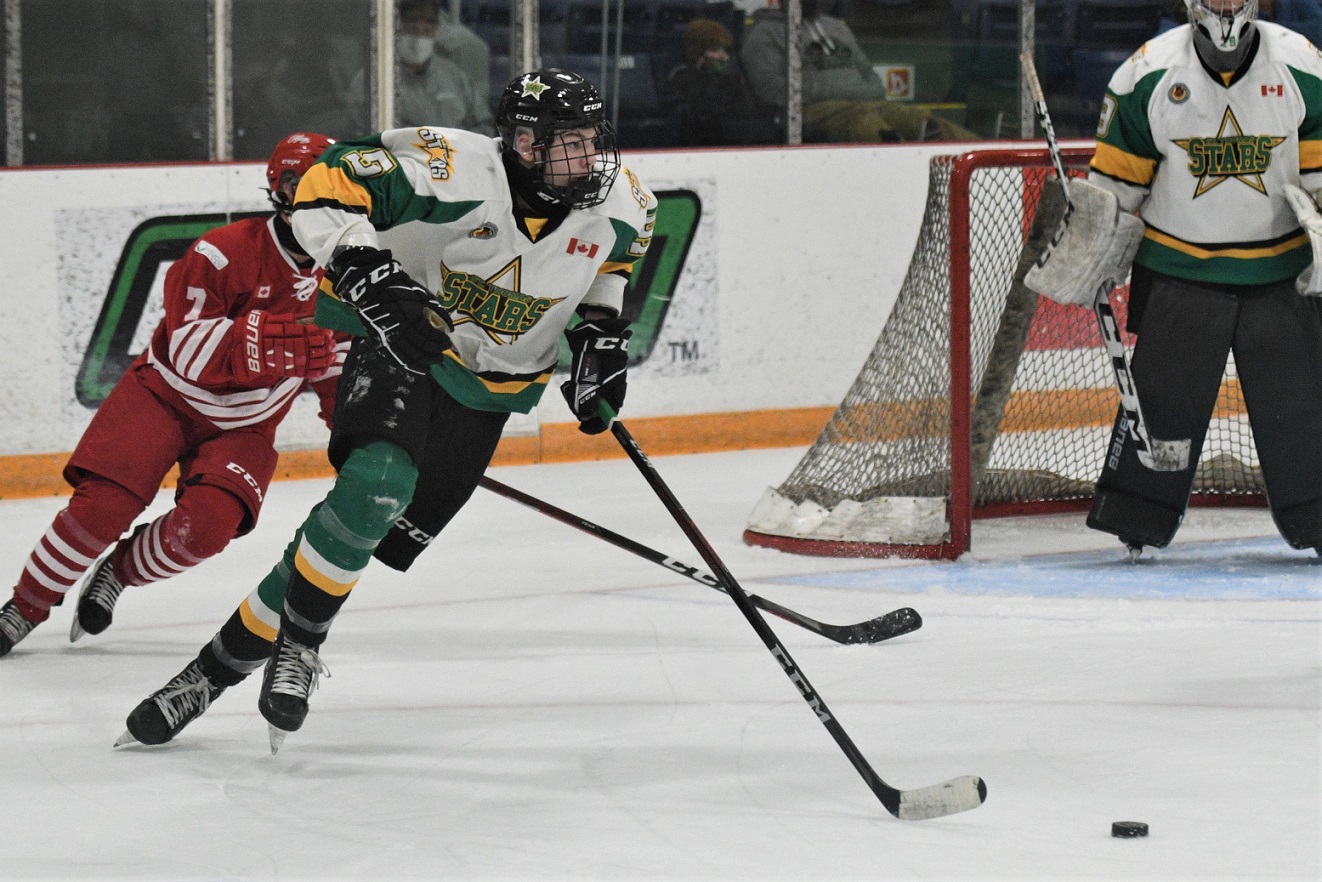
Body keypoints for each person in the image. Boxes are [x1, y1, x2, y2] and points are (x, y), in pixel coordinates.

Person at [117, 68, 657, 750]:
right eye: (567, 144)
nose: (588, 160)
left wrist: (598, 339)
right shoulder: (453, 168)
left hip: (491, 390)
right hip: (407, 342)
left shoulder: (626, 203)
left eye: (591, 141)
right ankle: (299, 648)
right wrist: (365, 269)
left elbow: (610, 268)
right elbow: (324, 184)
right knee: (375, 487)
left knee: (349, 538)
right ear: (522, 143)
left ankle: (207, 672)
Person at [0, 132, 349, 658]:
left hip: (247, 424)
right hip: (164, 396)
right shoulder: (223, 252)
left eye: (331, 187)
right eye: (303, 185)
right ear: (279, 190)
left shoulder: (350, 274)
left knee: (206, 530)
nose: (317, 201)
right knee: (103, 507)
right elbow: (188, 351)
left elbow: (337, 371)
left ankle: (116, 573)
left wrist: (359, 433)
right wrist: (272, 343)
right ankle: (23, 607)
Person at [1024, 0, 1322, 557]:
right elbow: (1117, 187)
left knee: (1302, 408)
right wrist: (1094, 237)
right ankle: (1138, 518)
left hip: (1278, 270)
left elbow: (1319, 174)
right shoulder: (1146, 73)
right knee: (1165, 406)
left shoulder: (1303, 65)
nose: (1228, 7)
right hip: (1179, 269)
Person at [739, 0, 977, 143]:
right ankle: (899, 168)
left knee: (915, 118)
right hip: (807, 112)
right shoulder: (763, 34)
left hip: (861, 103)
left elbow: (873, 83)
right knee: (862, 121)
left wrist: (842, 87)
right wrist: (838, 87)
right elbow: (772, 92)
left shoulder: (836, 28)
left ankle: (992, 156)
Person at [662, 18, 782, 146]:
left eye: (725, 50)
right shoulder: (682, 79)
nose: (722, 56)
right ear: (698, 50)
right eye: (714, 49)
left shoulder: (732, 80)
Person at [393, 0, 495, 135]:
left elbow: (484, 124)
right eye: (412, 30)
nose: (419, 39)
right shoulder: (374, 80)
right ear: (397, 29)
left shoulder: (454, 76)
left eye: (426, 31)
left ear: (435, 31)